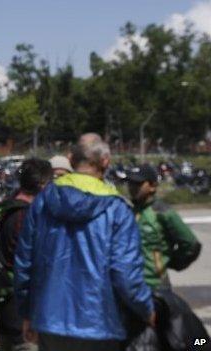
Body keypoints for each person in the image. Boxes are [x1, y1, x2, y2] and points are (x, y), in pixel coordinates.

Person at [14, 133, 155, 351]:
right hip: (100, 326)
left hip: (50, 322)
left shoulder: (42, 203)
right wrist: (147, 309)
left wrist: (26, 313)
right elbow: (125, 274)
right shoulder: (117, 209)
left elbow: (24, 265)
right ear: (105, 162)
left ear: (71, 159)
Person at [0, 159, 52, 351]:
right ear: (42, 185)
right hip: (20, 312)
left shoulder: (9, 207)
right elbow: (27, 268)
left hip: (5, 306)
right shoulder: (26, 216)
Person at [126, 164, 201, 289]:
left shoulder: (163, 212)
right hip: (130, 285)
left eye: (138, 184)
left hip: (155, 286)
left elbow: (191, 244)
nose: (132, 188)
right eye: (130, 183)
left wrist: (170, 262)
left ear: (152, 186)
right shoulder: (127, 212)